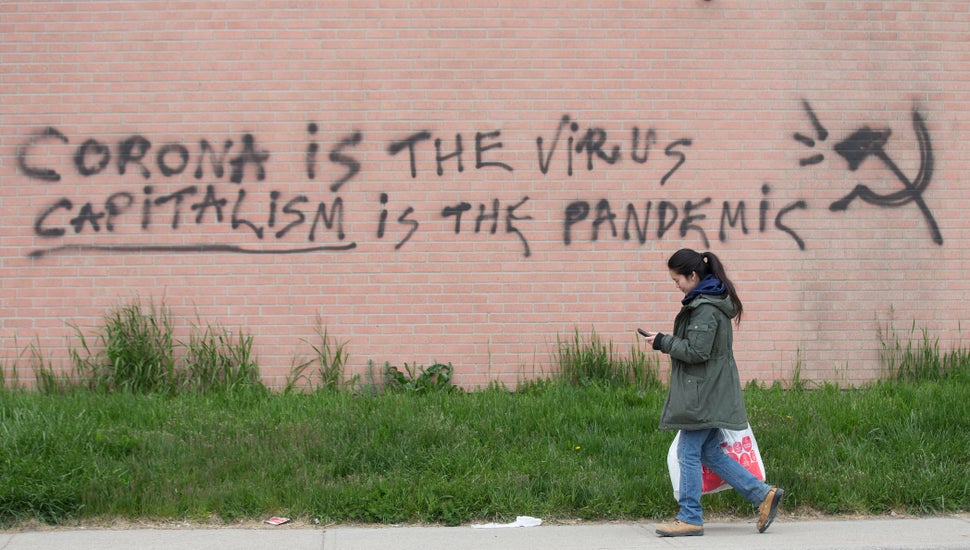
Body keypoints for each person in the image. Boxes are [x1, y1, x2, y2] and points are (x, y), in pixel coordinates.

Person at [640, 248, 784, 537]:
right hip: (711, 389)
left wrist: (663, 342)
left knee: (688, 451)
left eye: (677, 279)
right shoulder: (707, 302)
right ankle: (762, 495)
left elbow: (697, 351)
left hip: (704, 393)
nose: (676, 285)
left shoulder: (705, 308)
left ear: (692, 275)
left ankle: (690, 516)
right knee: (708, 451)